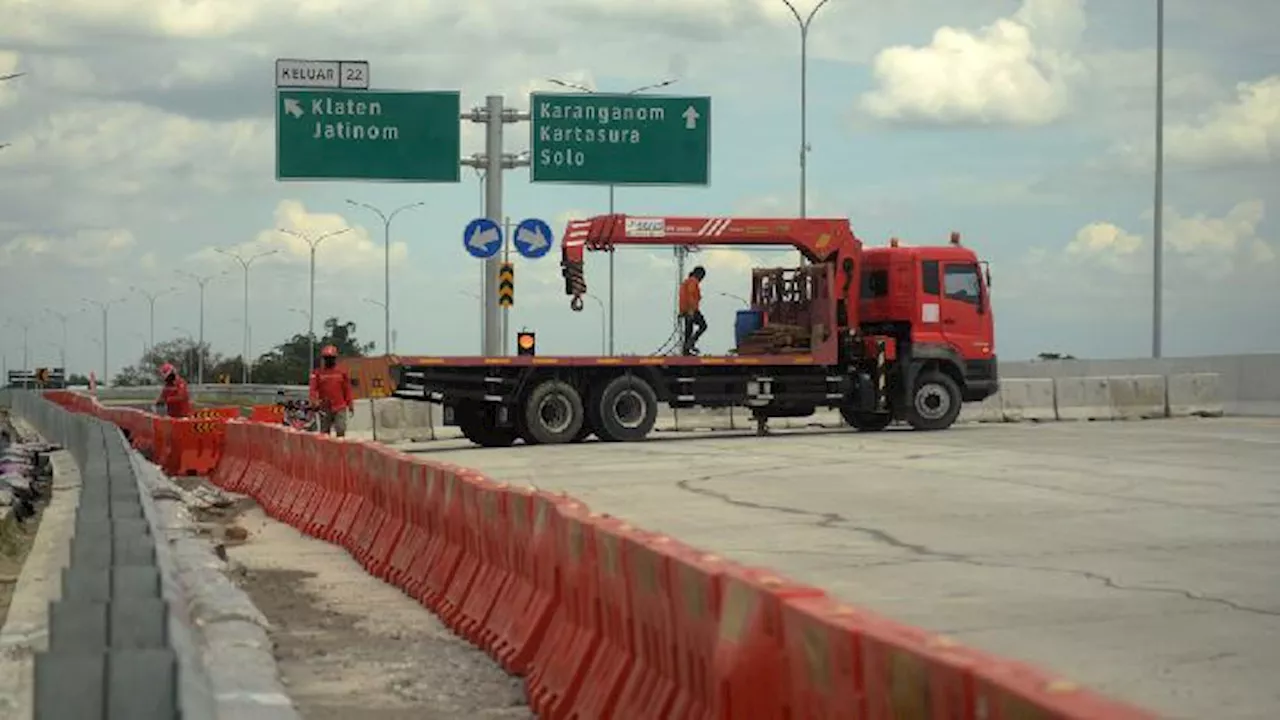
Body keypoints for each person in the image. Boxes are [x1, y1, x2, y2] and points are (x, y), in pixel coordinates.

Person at [309, 344, 354, 437]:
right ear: (324, 359)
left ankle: (340, 449)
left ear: (335, 359)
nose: (329, 360)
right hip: (324, 407)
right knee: (324, 432)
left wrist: (350, 404)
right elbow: (313, 389)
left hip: (339, 406)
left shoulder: (342, 372)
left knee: (341, 429)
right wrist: (314, 402)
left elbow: (347, 389)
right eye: (327, 358)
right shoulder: (317, 373)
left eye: (331, 358)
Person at [679, 265, 708, 356]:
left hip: (685, 309)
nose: (702, 279)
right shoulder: (693, 281)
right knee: (703, 326)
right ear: (699, 274)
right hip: (691, 309)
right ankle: (690, 343)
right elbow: (691, 295)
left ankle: (686, 350)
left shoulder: (686, 282)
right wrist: (691, 310)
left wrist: (682, 312)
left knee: (689, 330)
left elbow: (683, 297)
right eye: (702, 276)